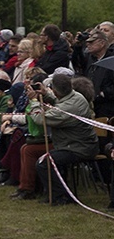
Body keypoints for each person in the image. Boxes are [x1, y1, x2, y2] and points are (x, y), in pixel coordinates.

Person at [28, 73, 99, 205]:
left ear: (55, 90)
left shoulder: (70, 107)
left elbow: (40, 119)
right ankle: (56, 193)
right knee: (47, 158)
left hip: (79, 148)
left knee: (44, 162)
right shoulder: (76, 96)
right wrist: (46, 95)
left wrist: (34, 102)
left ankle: (60, 197)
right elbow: (60, 102)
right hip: (72, 144)